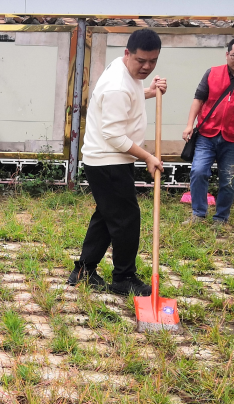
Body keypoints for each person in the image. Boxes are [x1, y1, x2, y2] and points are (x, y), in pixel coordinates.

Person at [68, 28, 167, 296]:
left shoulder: (124, 70)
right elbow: (113, 135)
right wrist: (147, 157)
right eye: (141, 61)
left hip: (108, 159)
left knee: (107, 215)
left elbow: (129, 97)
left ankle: (83, 270)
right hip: (108, 160)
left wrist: (149, 92)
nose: (147, 67)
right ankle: (124, 278)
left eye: (153, 61)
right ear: (127, 54)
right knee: (126, 219)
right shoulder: (117, 86)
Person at [181, 36, 234, 227]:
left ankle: (221, 218)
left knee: (228, 180)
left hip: (233, 138)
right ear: (227, 54)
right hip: (206, 134)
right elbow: (198, 99)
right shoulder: (212, 73)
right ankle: (198, 214)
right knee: (198, 171)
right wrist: (189, 125)